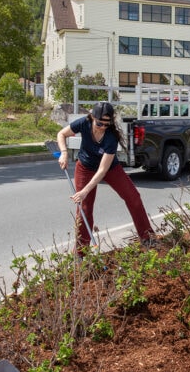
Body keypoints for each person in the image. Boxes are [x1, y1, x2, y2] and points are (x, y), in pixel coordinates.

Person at [57, 101, 155, 256]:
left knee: (133, 197)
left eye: (106, 124)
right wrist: (63, 152)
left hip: (110, 169)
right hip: (85, 167)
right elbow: (61, 134)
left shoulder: (110, 137)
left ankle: (147, 237)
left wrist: (85, 191)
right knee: (84, 209)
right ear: (92, 117)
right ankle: (80, 253)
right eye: (99, 123)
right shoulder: (84, 123)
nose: (102, 126)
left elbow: (102, 170)